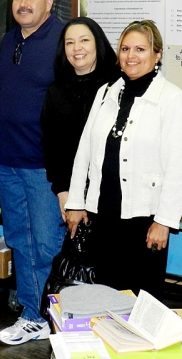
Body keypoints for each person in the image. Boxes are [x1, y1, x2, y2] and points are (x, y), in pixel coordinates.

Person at [65, 20, 182, 301]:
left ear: (157, 54)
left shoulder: (170, 99)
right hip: (102, 216)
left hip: (145, 221)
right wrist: (75, 203)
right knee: (106, 296)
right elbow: (84, 151)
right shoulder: (105, 93)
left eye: (140, 49)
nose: (131, 55)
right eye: (125, 48)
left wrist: (164, 221)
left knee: (142, 300)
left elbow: (179, 166)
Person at [0, 0, 66, 345]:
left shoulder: (62, 41)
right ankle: (32, 311)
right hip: (7, 160)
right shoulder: (9, 40)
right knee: (19, 239)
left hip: (44, 166)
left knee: (45, 242)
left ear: (49, 3)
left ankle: (44, 314)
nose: (23, 3)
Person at [41, 16, 120, 220]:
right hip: (71, 193)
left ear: (98, 43)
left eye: (84, 40)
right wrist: (63, 191)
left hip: (112, 194)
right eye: (70, 42)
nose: (77, 48)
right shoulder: (56, 91)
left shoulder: (117, 86)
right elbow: (51, 145)